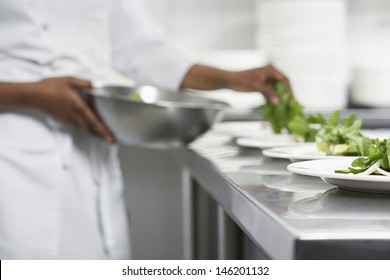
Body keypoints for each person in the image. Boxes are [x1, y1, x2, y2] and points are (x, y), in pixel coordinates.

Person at [0, 0, 291, 259]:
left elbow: (141, 47)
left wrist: (232, 79)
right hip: (17, 163)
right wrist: (31, 93)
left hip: (90, 150)